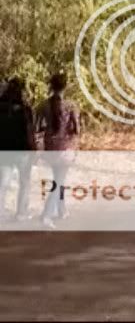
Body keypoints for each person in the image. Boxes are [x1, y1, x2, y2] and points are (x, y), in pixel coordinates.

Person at [36, 72, 80, 228]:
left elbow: (37, 128)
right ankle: (47, 215)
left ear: (51, 86)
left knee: (58, 178)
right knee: (59, 181)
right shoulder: (71, 106)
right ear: (65, 86)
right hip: (65, 150)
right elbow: (77, 129)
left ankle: (62, 210)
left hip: (50, 149)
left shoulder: (43, 105)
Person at [0, 78, 36, 222]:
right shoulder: (25, 109)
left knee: (3, 183)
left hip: (4, 150)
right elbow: (30, 132)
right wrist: (34, 150)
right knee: (24, 182)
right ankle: (21, 213)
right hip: (22, 151)